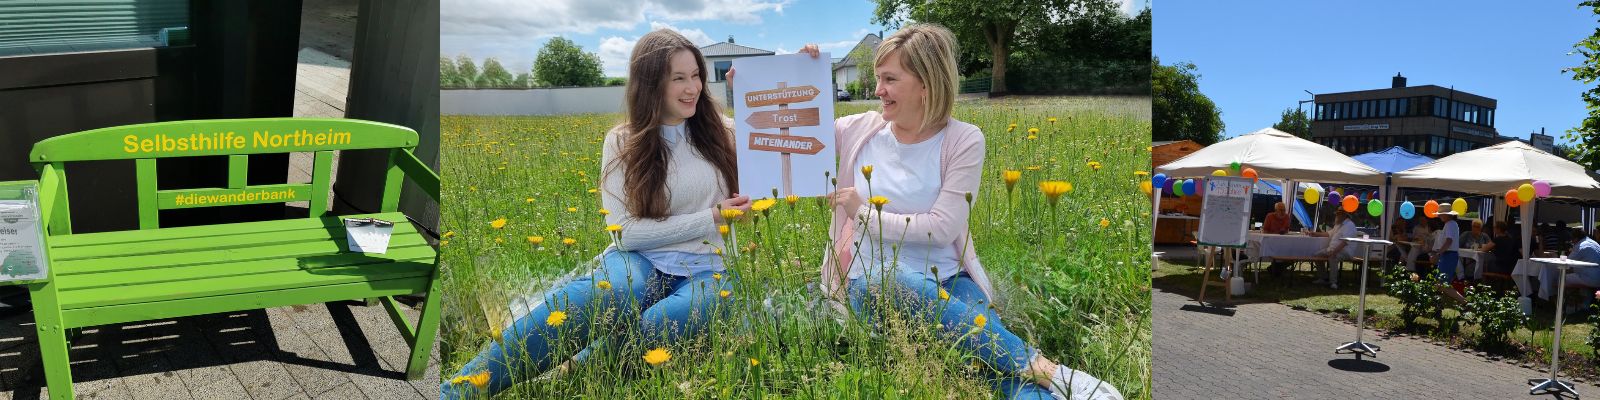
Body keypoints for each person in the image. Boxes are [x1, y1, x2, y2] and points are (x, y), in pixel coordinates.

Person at [732, 24, 1121, 400]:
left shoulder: (964, 139)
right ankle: (1050, 370)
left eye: (889, 79)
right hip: (871, 285)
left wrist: (863, 213)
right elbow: (777, 134)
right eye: (877, 78)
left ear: (926, 84)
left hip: (948, 279)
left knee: (985, 357)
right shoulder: (857, 129)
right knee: (890, 283)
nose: (877, 90)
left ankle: (1052, 384)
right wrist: (756, 85)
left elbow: (942, 227)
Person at [441, 29, 750, 399]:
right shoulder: (623, 141)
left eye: (697, 75)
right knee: (613, 292)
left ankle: (581, 365)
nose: (693, 87)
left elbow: (786, 131)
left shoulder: (725, 132)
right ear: (650, 85)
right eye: (678, 78)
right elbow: (626, 234)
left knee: (664, 322)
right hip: (640, 258)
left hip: (709, 266)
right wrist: (712, 218)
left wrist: (756, 91)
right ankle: (457, 391)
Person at [1428, 204, 1468, 304]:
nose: (1439, 216)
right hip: (1448, 256)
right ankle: (1437, 305)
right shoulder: (1451, 224)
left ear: (1447, 215)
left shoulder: (1450, 224)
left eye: (1441, 214)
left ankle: (1465, 302)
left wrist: (1438, 254)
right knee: (1439, 284)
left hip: (1449, 256)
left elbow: (1449, 241)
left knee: (1442, 284)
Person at [1310, 211, 1359, 289]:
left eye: (1337, 214)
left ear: (1343, 215)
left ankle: (1333, 282)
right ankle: (1323, 278)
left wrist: (1334, 252)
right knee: (1316, 255)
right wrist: (1315, 234)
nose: (1335, 216)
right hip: (1331, 249)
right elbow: (1329, 233)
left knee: (1333, 258)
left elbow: (1345, 242)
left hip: (1344, 251)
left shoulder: (1349, 225)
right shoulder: (1338, 225)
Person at [1562, 228, 1600, 314]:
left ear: (1575, 239)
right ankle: (1584, 306)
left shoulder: (1580, 246)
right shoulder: (1594, 243)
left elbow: (1567, 263)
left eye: (1572, 240)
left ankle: (1568, 306)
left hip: (1590, 278)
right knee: (1578, 278)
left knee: (1562, 279)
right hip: (1597, 277)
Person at [1263, 202, 1295, 277]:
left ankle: (1274, 269)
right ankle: (1276, 270)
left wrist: (1282, 231)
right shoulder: (1270, 216)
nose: (1283, 212)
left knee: (1294, 253)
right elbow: (1265, 230)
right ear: (1276, 210)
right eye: (1281, 210)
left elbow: (1286, 229)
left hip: (1283, 242)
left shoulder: (1287, 217)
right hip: (1271, 242)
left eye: (1284, 210)